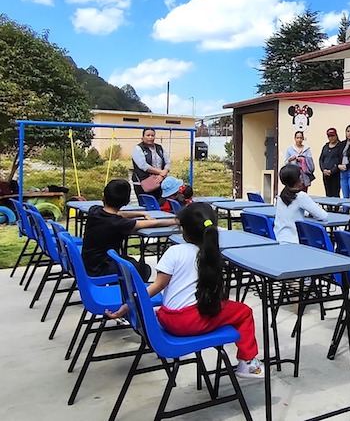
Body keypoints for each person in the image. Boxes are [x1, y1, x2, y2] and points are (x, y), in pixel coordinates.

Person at [106, 203, 265, 379]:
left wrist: (128, 306)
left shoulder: (174, 252)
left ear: (183, 230)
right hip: (191, 322)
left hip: (167, 318)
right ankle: (248, 362)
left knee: (222, 308)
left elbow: (155, 287)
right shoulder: (211, 255)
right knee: (243, 312)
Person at [82, 179, 178, 281]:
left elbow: (118, 214)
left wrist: (141, 213)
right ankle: (133, 295)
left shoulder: (94, 210)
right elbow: (153, 223)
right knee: (143, 269)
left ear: (104, 196)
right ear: (127, 202)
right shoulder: (117, 223)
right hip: (101, 269)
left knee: (131, 261)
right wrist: (177, 221)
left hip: (90, 264)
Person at [274, 164, 328, 243]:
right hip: (293, 241)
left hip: (278, 237)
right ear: (297, 179)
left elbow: (292, 211)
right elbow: (323, 216)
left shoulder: (280, 195)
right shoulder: (301, 196)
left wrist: (305, 213)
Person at [132, 128, 171, 199]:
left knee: (160, 203)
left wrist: (163, 173)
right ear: (143, 137)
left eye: (152, 135)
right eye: (148, 135)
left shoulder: (160, 148)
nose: (150, 137)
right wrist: (161, 172)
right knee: (147, 205)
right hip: (144, 183)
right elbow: (143, 165)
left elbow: (167, 162)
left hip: (160, 181)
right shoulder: (138, 148)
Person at [319, 127, 344, 197]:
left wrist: (332, 171)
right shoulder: (325, 146)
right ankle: (329, 207)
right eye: (329, 136)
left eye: (332, 136)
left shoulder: (340, 146)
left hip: (335, 174)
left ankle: (336, 208)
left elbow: (340, 160)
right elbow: (321, 159)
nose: (331, 138)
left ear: (336, 135)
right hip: (325, 174)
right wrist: (323, 169)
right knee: (328, 193)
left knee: (335, 193)